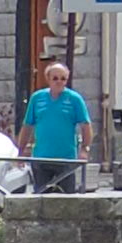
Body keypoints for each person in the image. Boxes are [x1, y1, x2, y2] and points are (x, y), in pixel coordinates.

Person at [19, 59, 91, 193]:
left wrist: (84, 149)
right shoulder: (37, 98)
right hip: (41, 157)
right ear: (48, 79)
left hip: (66, 159)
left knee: (67, 200)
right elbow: (27, 126)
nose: (59, 82)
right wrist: (21, 151)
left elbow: (86, 125)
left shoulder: (75, 99)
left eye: (63, 79)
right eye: (55, 78)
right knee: (41, 197)